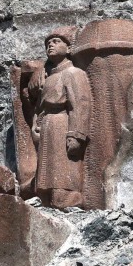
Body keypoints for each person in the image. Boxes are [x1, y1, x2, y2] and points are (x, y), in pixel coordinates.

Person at [31, 28, 92, 209]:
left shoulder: (74, 73)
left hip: (62, 123)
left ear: (68, 47)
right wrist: (36, 123)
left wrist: (76, 135)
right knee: (46, 172)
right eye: (48, 43)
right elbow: (39, 106)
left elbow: (80, 105)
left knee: (63, 168)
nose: (50, 45)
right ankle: (48, 201)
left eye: (56, 41)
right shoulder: (49, 76)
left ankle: (69, 201)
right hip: (48, 125)